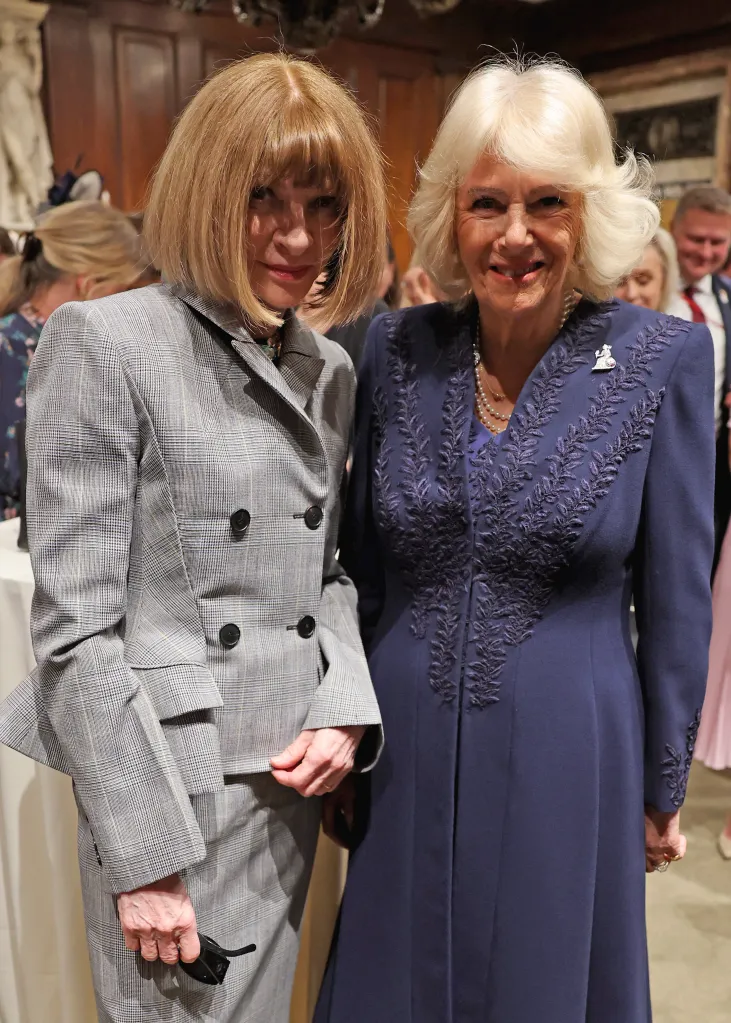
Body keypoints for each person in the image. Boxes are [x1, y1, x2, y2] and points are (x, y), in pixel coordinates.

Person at [315, 56, 715, 1023]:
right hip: (399, 746)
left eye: (547, 201)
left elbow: (675, 598)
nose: (516, 234)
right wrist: (342, 716)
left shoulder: (662, 360)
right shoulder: (395, 350)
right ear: (453, 213)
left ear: (591, 213)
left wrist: (664, 780)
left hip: (572, 747)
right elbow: (357, 568)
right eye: (487, 203)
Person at [0, 53, 385, 1023]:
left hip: (290, 786)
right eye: (263, 197)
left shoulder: (328, 367)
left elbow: (326, 573)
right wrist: (142, 855)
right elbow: (74, 635)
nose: (297, 236)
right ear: (205, 188)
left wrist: (342, 704)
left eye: (323, 204)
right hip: (172, 797)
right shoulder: (108, 343)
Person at [0, 200, 141, 518]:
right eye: (127, 290)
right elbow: (27, 479)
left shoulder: (50, 344)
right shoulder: (12, 349)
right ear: (90, 287)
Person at [668, 186, 731, 564]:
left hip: (710, 473)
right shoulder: (645, 289)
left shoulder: (727, 299)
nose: (705, 252)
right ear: (674, 230)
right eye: (696, 239)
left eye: (717, 242)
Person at [614, 226, 679, 311]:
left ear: (664, 282)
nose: (631, 294)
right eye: (619, 282)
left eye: (643, 281)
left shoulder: (684, 317)